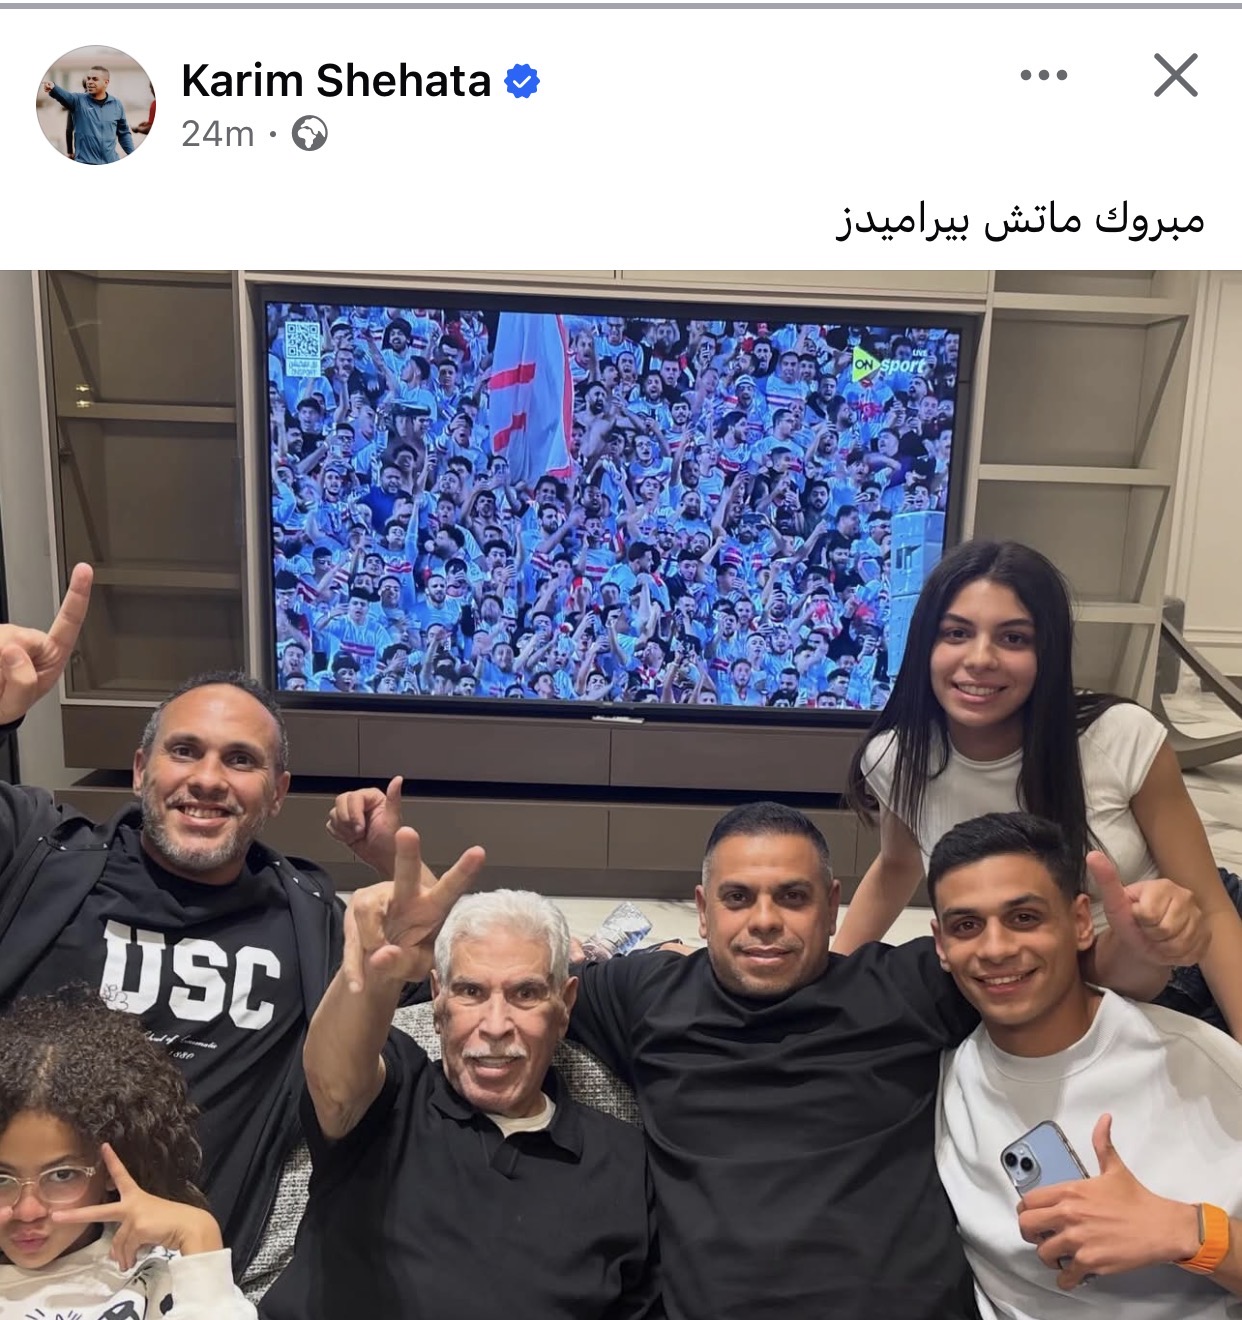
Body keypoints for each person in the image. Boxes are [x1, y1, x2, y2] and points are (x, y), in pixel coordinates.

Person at [332, 794, 1206, 1320]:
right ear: (701, 908)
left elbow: (1055, 970)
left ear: (832, 903)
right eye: (739, 898)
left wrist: (1151, 944)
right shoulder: (642, 996)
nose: (764, 922)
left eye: (791, 897)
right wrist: (420, 916)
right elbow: (510, 980)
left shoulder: (907, 984)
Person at [0, 565, 344, 1275]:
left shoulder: (310, 920)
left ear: (277, 793)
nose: (208, 779)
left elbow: (467, 979)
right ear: (139, 770)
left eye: (240, 760)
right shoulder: (36, 852)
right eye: (185, 750)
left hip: (181, 1282)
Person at [836, 539, 1242, 1040]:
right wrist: (829, 983)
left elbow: (1211, 905)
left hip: (1175, 956)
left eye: (1013, 638)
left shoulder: (1119, 737)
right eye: (957, 633)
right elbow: (897, 866)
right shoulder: (899, 756)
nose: (980, 659)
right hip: (1047, 981)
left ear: (1046, 652)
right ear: (924, 645)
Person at [259, 834, 661, 1320]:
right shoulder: (393, 1094)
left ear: (565, 1005)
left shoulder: (625, 1164)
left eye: (526, 994)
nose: (495, 1025)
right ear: (438, 1000)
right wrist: (373, 973)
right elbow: (334, 1082)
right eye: (471, 991)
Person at [930, 812, 1242, 1319]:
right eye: (967, 926)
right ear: (941, 945)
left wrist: (1190, 1232)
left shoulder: (1199, 1064)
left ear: (1080, 923)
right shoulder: (939, 1082)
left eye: (1024, 918)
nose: (996, 949)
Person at [0, 987, 255, 1318]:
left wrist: (199, 1233)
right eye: (2, 1179)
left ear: (109, 1168)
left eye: (62, 1175)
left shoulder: (165, 1270)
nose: (27, 1211)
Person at [42, 66, 135, 164]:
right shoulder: (77, 101)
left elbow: (124, 133)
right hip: (85, 162)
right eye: (88, 78)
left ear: (106, 82)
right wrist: (53, 88)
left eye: (95, 79)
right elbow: (65, 96)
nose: (89, 82)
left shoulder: (116, 104)